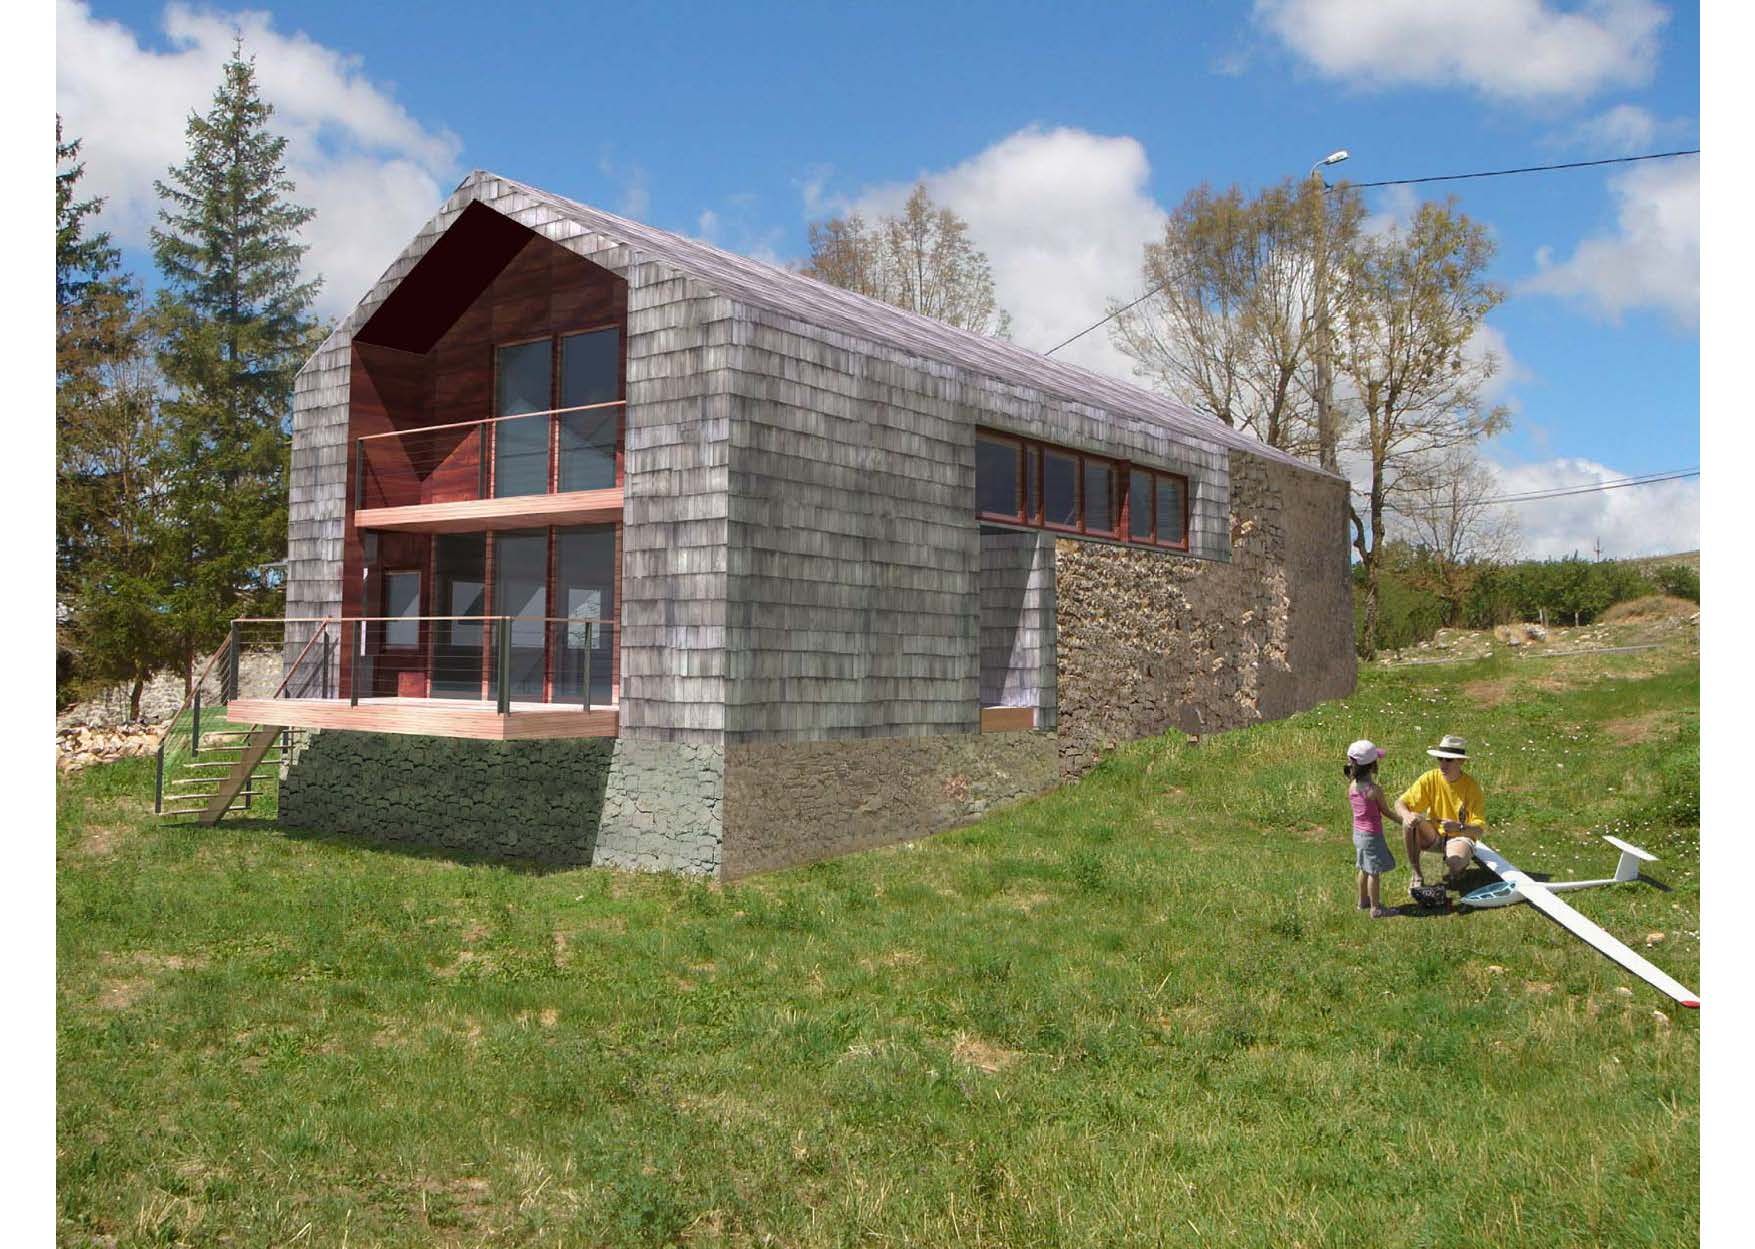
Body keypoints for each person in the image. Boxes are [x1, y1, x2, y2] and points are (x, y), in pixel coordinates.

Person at [1396, 733, 1486, 894]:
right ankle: (1417, 875)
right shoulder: (1430, 778)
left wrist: (1459, 826)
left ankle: (1458, 866)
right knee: (1409, 822)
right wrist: (1407, 815)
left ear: (1461, 761)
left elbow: (1479, 830)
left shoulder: (1472, 787)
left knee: (1455, 864)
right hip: (1434, 834)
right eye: (1440, 759)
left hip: (1460, 835)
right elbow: (1400, 803)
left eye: (1448, 760)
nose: (1443, 764)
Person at [1345, 739, 1398, 918]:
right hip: (1371, 836)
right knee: (1374, 872)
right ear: (1372, 766)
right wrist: (1404, 821)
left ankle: (1363, 901)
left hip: (1358, 834)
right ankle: (1376, 908)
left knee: (1364, 869)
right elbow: (1386, 812)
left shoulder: (1352, 786)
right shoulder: (1374, 790)